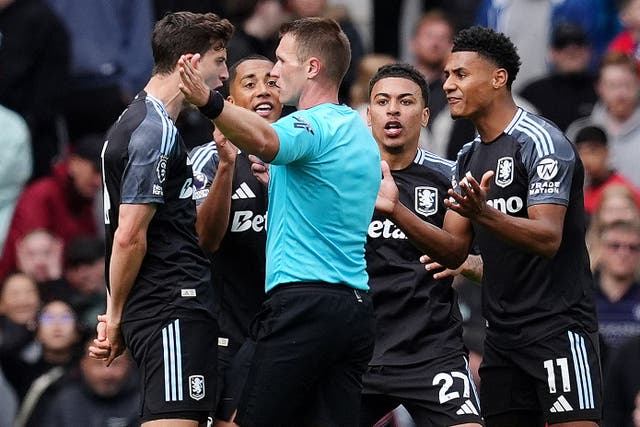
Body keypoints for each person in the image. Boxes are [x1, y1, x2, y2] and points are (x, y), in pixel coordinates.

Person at [375, 26, 601, 426]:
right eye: (445, 75)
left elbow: (548, 238)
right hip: (501, 336)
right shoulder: (466, 158)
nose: (447, 85)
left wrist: (484, 214)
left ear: (498, 78)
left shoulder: (542, 143)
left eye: (460, 75)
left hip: (558, 328)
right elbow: (454, 251)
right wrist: (397, 211)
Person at [178, 16, 381, 427]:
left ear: (311, 68)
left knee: (237, 422)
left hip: (304, 304)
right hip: (354, 308)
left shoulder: (310, 122)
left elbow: (268, 140)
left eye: (282, 60)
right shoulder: (357, 129)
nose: (273, 71)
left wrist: (209, 102)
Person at [88, 12, 233, 426]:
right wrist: (113, 317)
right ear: (189, 62)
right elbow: (129, 236)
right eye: (218, 61)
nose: (224, 75)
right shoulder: (155, 131)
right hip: (171, 305)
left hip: (161, 305)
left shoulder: (136, 119)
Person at [361, 62, 483, 427]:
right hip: (358, 351)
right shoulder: (341, 178)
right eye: (382, 102)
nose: (393, 110)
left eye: (406, 101)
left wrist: (460, 261)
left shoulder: (451, 178)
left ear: (426, 114)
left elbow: (491, 263)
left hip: (431, 352)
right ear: (369, 115)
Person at [189, 54, 282, 420]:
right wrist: (228, 166)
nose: (263, 90)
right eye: (250, 83)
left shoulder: (303, 158)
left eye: (272, 82)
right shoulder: (206, 159)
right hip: (226, 326)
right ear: (228, 103)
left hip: (287, 322)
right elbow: (205, 240)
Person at [0, 133, 103, 282]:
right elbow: (31, 262)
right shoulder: (42, 195)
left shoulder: (84, 201)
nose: (99, 181)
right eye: (96, 170)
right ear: (74, 163)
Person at [43, 336, 139, 427]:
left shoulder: (144, 403)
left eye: (116, 364)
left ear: (129, 365)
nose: (107, 373)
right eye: (98, 364)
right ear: (83, 364)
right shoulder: (65, 402)